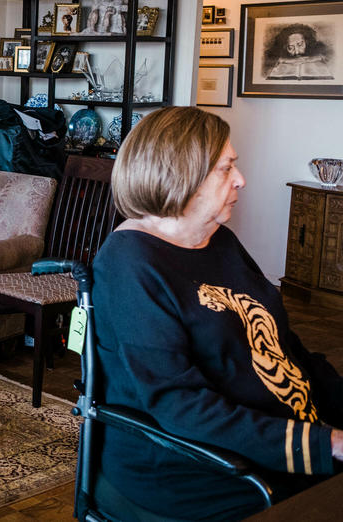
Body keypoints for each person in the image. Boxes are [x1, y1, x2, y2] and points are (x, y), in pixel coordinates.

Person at [92, 106, 343, 520]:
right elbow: (179, 405)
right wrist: (323, 444)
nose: (241, 179)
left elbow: (287, 349)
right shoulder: (129, 265)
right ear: (180, 176)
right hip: (202, 470)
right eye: (226, 168)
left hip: (276, 436)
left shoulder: (220, 241)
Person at [267, 24, 332, 79]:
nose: (297, 52)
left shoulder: (319, 48)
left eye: (300, 45)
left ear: (307, 42)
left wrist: (311, 59)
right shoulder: (278, 55)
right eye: (290, 47)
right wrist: (283, 60)